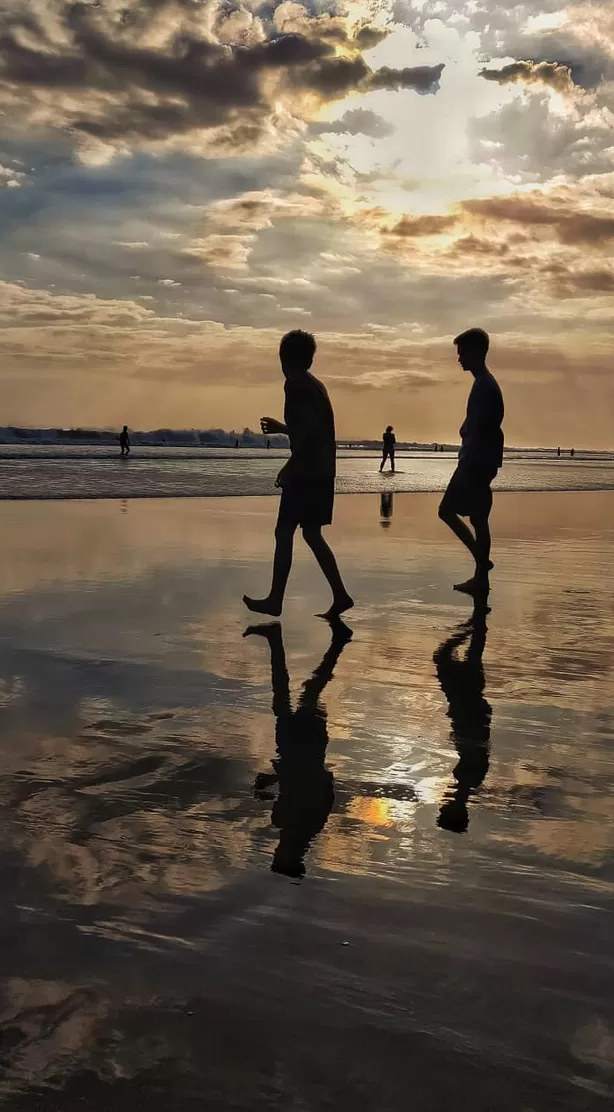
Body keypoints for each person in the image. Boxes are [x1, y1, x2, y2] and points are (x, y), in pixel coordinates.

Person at [244, 329, 353, 619]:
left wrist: (289, 467)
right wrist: (283, 428)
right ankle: (341, 595)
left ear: (283, 358)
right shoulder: (316, 385)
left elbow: (306, 437)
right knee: (312, 533)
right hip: (323, 470)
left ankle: (275, 600)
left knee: (284, 532)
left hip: (306, 471)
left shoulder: (295, 384)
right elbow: (312, 429)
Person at [246, 618, 352, 877]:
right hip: (306, 746)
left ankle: (277, 639)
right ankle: (338, 641)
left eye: (276, 854)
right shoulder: (311, 822)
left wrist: (272, 782)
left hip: (291, 749)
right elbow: (319, 779)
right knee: (308, 692)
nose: (278, 850)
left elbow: (295, 785)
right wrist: (278, 778)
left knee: (288, 699)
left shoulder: (282, 822)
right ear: (293, 856)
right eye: (281, 855)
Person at [438, 327, 504, 595]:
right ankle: (481, 578)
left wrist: (468, 457)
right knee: (478, 518)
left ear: (477, 352)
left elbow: (482, 428)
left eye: (463, 353)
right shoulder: (485, 384)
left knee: (446, 511)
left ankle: (481, 562)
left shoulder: (484, 386)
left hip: (475, 462)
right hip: (484, 461)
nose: (459, 358)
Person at [434, 601, 491, 833]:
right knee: (443, 656)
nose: (442, 805)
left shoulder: (469, 782)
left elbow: (479, 744)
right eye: (444, 811)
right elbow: (475, 744)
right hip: (467, 710)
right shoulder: (469, 780)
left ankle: (477, 619)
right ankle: (473, 623)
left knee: (472, 655)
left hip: (469, 710)